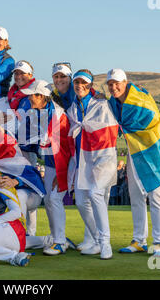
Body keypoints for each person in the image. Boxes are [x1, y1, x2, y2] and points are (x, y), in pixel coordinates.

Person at [107, 69, 160, 257]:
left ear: (125, 82)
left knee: (157, 197)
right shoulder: (113, 103)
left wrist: (125, 126)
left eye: (117, 83)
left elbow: (152, 119)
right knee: (136, 196)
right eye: (110, 84)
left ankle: (159, 242)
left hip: (156, 152)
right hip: (135, 153)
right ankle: (139, 240)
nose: (114, 87)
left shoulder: (141, 99)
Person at [66, 69, 118, 259]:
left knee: (96, 194)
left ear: (90, 86)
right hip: (82, 160)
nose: (80, 86)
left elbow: (110, 129)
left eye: (84, 83)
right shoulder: (73, 107)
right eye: (77, 83)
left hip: (103, 158)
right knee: (80, 202)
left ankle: (105, 243)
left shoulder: (101, 104)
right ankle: (97, 239)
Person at [20, 80, 74, 255]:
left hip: (65, 162)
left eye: (32, 95)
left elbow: (64, 148)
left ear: (42, 97)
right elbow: (28, 141)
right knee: (50, 201)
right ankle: (57, 238)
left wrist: (62, 173)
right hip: (51, 162)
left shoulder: (58, 115)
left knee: (55, 200)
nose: (29, 98)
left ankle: (60, 241)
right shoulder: (37, 113)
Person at [0, 121, 46, 237]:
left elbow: (31, 173)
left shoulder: (5, 149)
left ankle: (19, 234)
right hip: (0, 196)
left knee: (19, 194)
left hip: (26, 193)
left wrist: (16, 181)